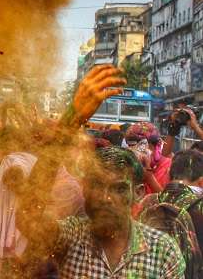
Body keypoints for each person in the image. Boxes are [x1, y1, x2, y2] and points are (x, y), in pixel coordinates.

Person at [18, 65, 185, 278]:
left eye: (119, 188)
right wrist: (71, 120)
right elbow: (26, 217)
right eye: (97, 185)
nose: (106, 198)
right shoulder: (72, 236)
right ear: (84, 189)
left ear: (139, 193)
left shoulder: (163, 252)